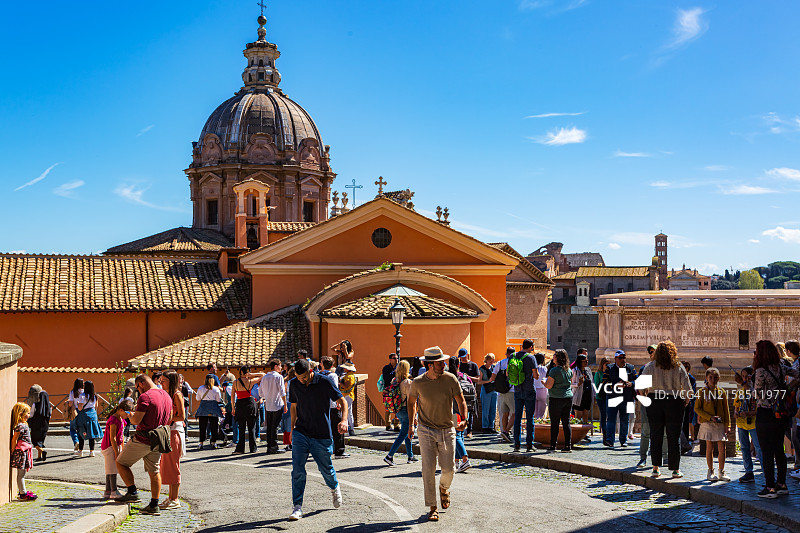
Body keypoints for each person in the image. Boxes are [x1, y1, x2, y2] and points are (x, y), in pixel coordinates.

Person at [407, 346, 467, 522]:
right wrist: (411, 425)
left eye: (443, 362)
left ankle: (444, 488)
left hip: (447, 429)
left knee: (449, 468)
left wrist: (464, 419)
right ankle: (432, 507)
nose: (444, 365)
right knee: (428, 469)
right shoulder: (417, 382)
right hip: (425, 430)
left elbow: (461, 400)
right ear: (430, 365)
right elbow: (411, 403)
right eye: (440, 363)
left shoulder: (450, 379)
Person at [288, 358, 347, 521]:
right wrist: (292, 430)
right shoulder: (294, 384)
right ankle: (297, 506)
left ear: (311, 371)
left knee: (326, 469)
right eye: (299, 378)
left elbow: (342, 400)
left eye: (304, 377)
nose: (302, 380)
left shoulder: (325, 381)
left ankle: (334, 487)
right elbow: (293, 407)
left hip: (321, 434)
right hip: (301, 432)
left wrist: (344, 420)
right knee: (297, 469)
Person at [116, 374, 174, 515]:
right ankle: (154, 505)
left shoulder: (145, 397)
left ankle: (132, 492)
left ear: (141, 384)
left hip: (143, 439)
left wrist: (130, 415)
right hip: (159, 438)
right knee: (154, 471)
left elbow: (136, 421)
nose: (138, 391)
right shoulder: (166, 395)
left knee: (121, 462)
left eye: (137, 388)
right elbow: (170, 418)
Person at [639, 341, 692, 479]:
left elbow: (640, 387)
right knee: (674, 437)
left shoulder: (650, 366)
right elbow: (687, 389)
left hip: (654, 400)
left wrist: (645, 396)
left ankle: (655, 468)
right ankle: (675, 470)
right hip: (674, 401)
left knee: (655, 435)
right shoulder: (678, 366)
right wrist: (685, 401)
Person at [753, 339, 799, 498]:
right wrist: (788, 390)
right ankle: (782, 484)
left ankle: (770, 487)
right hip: (780, 413)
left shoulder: (761, 371)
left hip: (765, 413)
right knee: (779, 449)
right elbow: (798, 374)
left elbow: (758, 394)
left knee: (766, 451)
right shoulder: (780, 367)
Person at [695, 367, 730, 482]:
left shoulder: (722, 392)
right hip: (708, 422)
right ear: (706, 378)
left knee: (722, 448)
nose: (713, 379)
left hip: (719, 423)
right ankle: (710, 471)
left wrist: (727, 425)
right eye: (710, 377)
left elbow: (726, 410)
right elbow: (697, 408)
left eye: (715, 377)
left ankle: (721, 471)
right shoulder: (701, 392)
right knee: (709, 448)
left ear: (718, 378)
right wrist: (709, 417)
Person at [159, 371, 185, 509]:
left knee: (173, 465)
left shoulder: (177, 395)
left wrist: (166, 419)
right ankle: (171, 497)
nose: (161, 383)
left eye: (163, 380)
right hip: (169, 431)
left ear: (171, 381)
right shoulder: (168, 394)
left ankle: (175, 498)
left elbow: (182, 416)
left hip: (174, 431)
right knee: (168, 465)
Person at [636, 345, 666, 468]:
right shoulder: (646, 368)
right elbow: (640, 387)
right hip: (648, 403)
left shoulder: (665, 368)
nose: (652, 354)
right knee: (646, 431)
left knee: (663, 431)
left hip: (662, 402)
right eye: (650, 352)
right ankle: (643, 458)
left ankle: (666, 457)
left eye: (654, 352)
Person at [384, 360, 418, 466]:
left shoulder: (395, 380)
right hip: (406, 410)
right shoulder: (407, 382)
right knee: (403, 434)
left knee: (408, 432)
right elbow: (411, 401)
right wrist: (415, 414)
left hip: (398, 410)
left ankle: (410, 456)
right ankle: (389, 456)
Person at [734, 365, 762, 483]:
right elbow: (736, 406)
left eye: (747, 376)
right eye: (743, 376)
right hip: (741, 424)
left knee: (759, 448)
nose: (745, 379)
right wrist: (736, 413)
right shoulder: (740, 391)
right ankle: (748, 472)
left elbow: (760, 408)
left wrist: (750, 413)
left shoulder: (755, 391)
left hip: (754, 424)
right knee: (745, 448)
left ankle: (765, 472)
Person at [510, 339, 539, 453]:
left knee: (517, 417)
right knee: (529, 418)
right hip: (529, 390)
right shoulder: (531, 358)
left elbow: (508, 373)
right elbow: (535, 375)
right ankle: (529, 445)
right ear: (531, 347)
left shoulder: (513, 356)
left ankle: (516, 444)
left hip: (517, 389)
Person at [101, 399, 132, 500]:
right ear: (121, 410)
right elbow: (112, 438)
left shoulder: (121, 420)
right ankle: (113, 490)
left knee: (110, 469)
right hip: (110, 447)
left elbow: (121, 435)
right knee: (112, 469)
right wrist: (116, 451)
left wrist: (121, 448)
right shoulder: (113, 420)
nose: (128, 416)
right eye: (127, 413)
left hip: (114, 446)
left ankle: (108, 490)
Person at [604, 350, 636, 447]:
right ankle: (610, 440)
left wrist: (631, 384)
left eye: (624, 357)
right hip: (613, 398)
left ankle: (623, 439)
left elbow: (637, 380)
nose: (623, 360)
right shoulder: (609, 368)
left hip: (627, 398)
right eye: (620, 358)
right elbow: (604, 383)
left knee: (625, 419)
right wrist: (615, 386)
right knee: (611, 419)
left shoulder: (631, 368)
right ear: (615, 359)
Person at [231, 365, 265, 455]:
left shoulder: (235, 382)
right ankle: (253, 448)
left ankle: (240, 449)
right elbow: (263, 375)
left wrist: (233, 407)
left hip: (240, 404)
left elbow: (232, 396)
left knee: (241, 428)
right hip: (250, 404)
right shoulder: (250, 381)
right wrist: (252, 374)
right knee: (251, 428)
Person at [449, 357, 475, 471]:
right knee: (460, 434)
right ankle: (456, 461)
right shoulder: (465, 376)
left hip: (454, 410)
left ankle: (465, 459)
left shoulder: (448, 378)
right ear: (459, 364)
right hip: (465, 409)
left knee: (456, 435)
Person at [544, 349, 573, 452]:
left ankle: (553, 445)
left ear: (558, 358)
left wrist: (544, 382)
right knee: (566, 423)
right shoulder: (568, 370)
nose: (553, 358)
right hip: (568, 397)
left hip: (556, 398)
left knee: (555, 423)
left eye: (554, 356)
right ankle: (567, 445)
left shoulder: (554, 371)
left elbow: (549, 385)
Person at [319, 357, 347, 458]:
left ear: (321, 364)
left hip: (322, 405)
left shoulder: (318, 375)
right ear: (332, 366)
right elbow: (335, 389)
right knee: (337, 428)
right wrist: (338, 402)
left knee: (325, 428)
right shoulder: (333, 375)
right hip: (332, 404)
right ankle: (339, 450)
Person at [489, 346, 517, 443]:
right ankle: (506, 431)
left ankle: (504, 432)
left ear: (506, 353)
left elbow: (493, 377)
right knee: (515, 413)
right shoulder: (515, 362)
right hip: (512, 391)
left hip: (501, 392)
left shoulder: (500, 363)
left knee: (505, 413)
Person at [11, 402, 37, 501]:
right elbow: (14, 439)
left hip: (23, 451)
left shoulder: (22, 425)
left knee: (22, 474)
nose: (29, 415)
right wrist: (13, 450)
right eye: (27, 413)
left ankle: (23, 491)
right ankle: (23, 494)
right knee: (21, 474)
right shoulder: (21, 426)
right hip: (21, 452)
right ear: (21, 413)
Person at [262, 359, 287, 454]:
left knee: (269, 426)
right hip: (277, 404)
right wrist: (285, 404)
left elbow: (261, 392)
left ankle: (269, 446)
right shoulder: (279, 377)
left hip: (268, 404)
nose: (281, 368)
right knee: (275, 426)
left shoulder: (264, 377)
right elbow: (282, 392)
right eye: (280, 366)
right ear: (276, 366)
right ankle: (274, 446)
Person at [195, 375, 224, 450]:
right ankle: (213, 442)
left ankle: (201, 443)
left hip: (203, 408)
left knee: (202, 426)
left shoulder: (201, 388)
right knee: (214, 426)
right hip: (213, 408)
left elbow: (198, 398)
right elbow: (218, 400)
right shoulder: (216, 389)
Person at [75, 380, 103, 457]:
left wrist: (78, 404)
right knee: (92, 433)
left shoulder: (82, 396)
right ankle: (92, 451)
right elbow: (96, 407)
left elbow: (80, 408)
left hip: (84, 415)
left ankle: (80, 451)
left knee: (81, 432)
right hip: (93, 414)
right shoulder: (95, 396)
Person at [457, 348, 480, 437]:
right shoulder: (459, 365)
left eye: (463, 357)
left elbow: (478, 379)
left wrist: (468, 377)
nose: (462, 359)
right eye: (460, 357)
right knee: (458, 410)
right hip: (460, 392)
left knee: (470, 411)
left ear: (467, 355)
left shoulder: (473, 365)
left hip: (470, 392)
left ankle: (469, 431)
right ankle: (459, 429)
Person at [26, 385, 51, 463]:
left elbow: (32, 414)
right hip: (45, 424)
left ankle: (42, 450)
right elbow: (50, 415)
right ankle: (39, 457)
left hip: (36, 424)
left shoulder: (35, 404)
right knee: (41, 440)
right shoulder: (49, 406)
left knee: (34, 441)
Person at [474, 353, 497, 432]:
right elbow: (479, 382)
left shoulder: (494, 368)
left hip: (494, 390)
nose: (492, 361)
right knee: (485, 409)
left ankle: (491, 426)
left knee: (493, 409)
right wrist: (488, 381)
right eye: (490, 360)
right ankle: (485, 426)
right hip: (486, 390)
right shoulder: (482, 369)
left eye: (493, 360)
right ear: (486, 360)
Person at [571, 353, 594, 428]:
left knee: (586, 414)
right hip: (578, 396)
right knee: (578, 416)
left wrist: (594, 395)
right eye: (585, 361)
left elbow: (592, 383)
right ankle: (576, 432)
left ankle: (584, 433)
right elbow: (571, 384)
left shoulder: (588, 370)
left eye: (587, 361)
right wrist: (578, 383)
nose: (586, 363)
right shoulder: (575, 371)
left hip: (587, 396)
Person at [381, 353, 400, 431]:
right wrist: (394, 372)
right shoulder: (386, 368)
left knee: (397, 407)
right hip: (388, 390)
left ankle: (396, 425)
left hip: (397, 390)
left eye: (397, 358)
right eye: (394, 358)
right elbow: (386, 378)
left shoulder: (399, 367)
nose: (396, 359)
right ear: (390, 359)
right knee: (388, 407)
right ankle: (388, 425)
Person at [594, 358, 610, 445]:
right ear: (602, 364)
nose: (607, 366)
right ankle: (605, 436)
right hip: (601, 397)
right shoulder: (598, 374)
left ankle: (608, 436)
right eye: (606, 364)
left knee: (609, 417)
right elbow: (596, 386)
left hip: (609, 396)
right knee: (604, 416)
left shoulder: (610, 373)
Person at [682, 361, 698, 448]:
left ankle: (685, 442)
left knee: (687, 422)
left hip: (688, 403)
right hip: (678, 402)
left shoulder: (691, 379)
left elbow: (692, 391)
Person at [338, 362, 357, 435]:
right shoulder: (351, 375)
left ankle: (349, 429)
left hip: (347, 395)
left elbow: (345, 386)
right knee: (349, 413)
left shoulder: (349, 377)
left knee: (345, 412)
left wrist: (339, 383)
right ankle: (351, 429)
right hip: (349, 395)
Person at [67, 378, 84, 454]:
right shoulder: (84, 392)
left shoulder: (73, 392)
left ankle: (76, 441)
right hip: (82, 411)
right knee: (80, 428)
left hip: (74, 411)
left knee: (72, 428)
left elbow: (70, 404)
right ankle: (80, 444)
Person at [282, 366, 296, 450]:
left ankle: (289, 443)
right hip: (296, 404)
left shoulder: (288, 382)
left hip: (289, 403)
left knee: (288, 425)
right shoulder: (299, 382)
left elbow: (284, 393)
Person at [533, 353, 548, 419]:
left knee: (534, 411)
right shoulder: (544, 368)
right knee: (541, 412)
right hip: (542, 390)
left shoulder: (532, 369)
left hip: (533, 390)